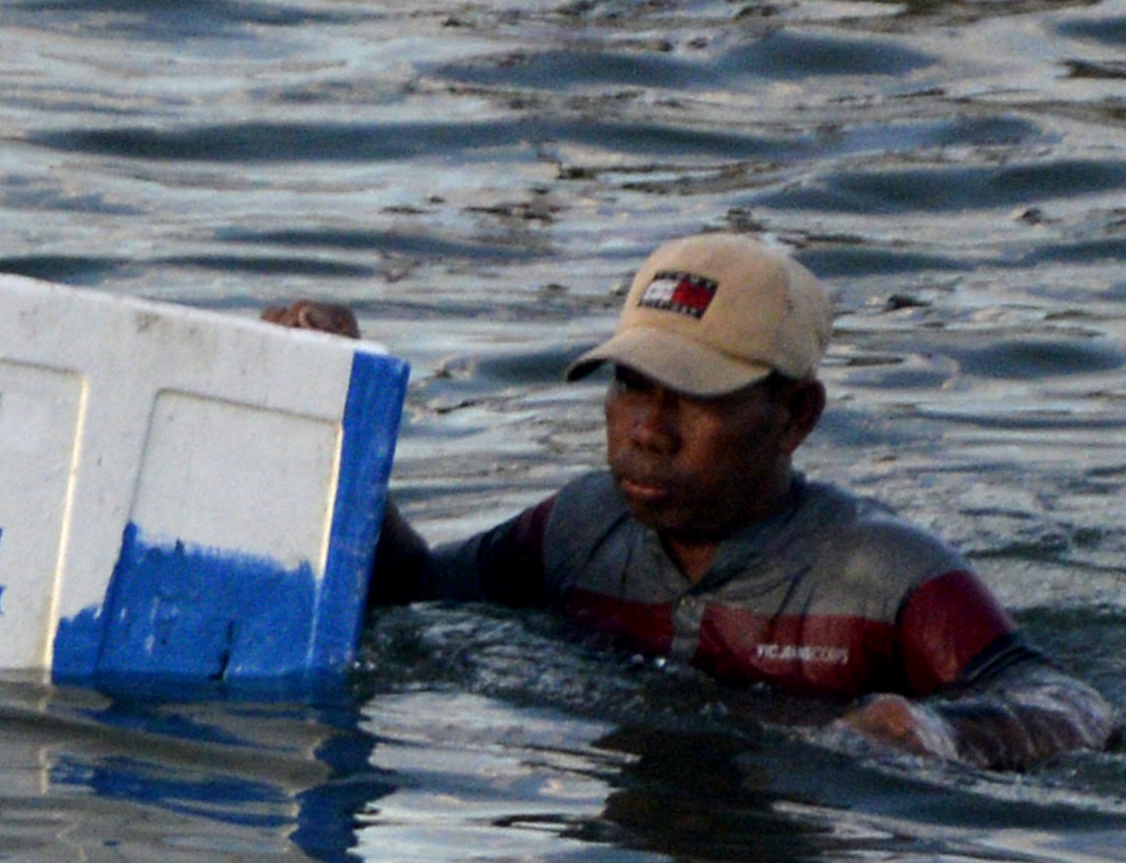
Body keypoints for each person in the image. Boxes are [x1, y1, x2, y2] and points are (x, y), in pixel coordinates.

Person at [364, 231, 1112, 770]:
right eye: (630, 383)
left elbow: (1073, 707)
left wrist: (934, 731)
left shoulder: (885, 578)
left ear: (796, 416)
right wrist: (336, 393)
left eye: (695, 394)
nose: (647, 430)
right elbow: (409, 590)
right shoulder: (579, 526)